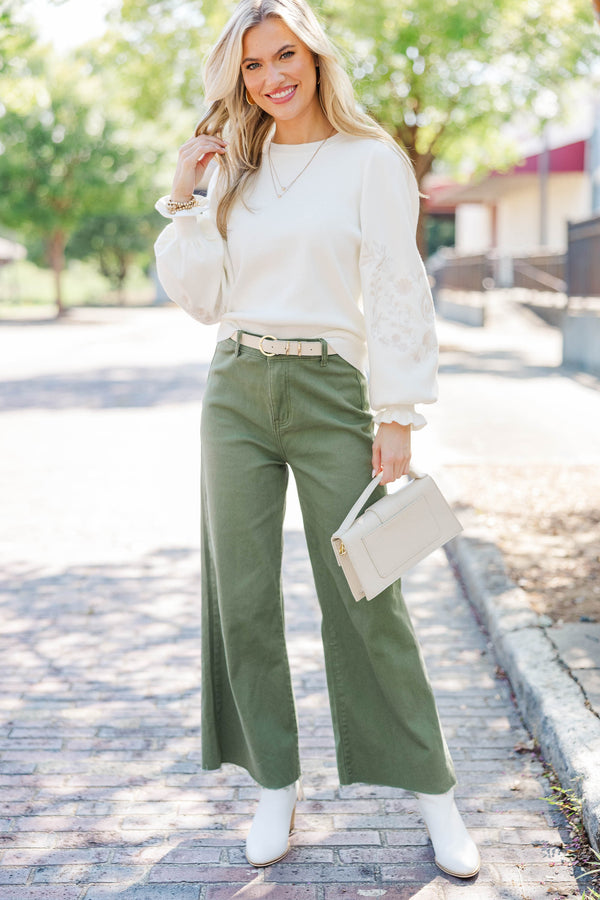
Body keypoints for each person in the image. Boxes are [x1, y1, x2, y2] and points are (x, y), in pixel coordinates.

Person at [154, 0, 480, 879]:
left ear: (315, 56)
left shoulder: (371, 161)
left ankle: (433, 791)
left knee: (368, 595)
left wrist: (398, 411)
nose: (271, 78)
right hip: (235, 388)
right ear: (240, 79)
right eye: (253, 66)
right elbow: (201, 298)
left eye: (283, 55)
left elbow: (398, 284)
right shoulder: (237, 165)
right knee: (244, 597)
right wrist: (184, 194)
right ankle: (274, 784)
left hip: (332, 385)